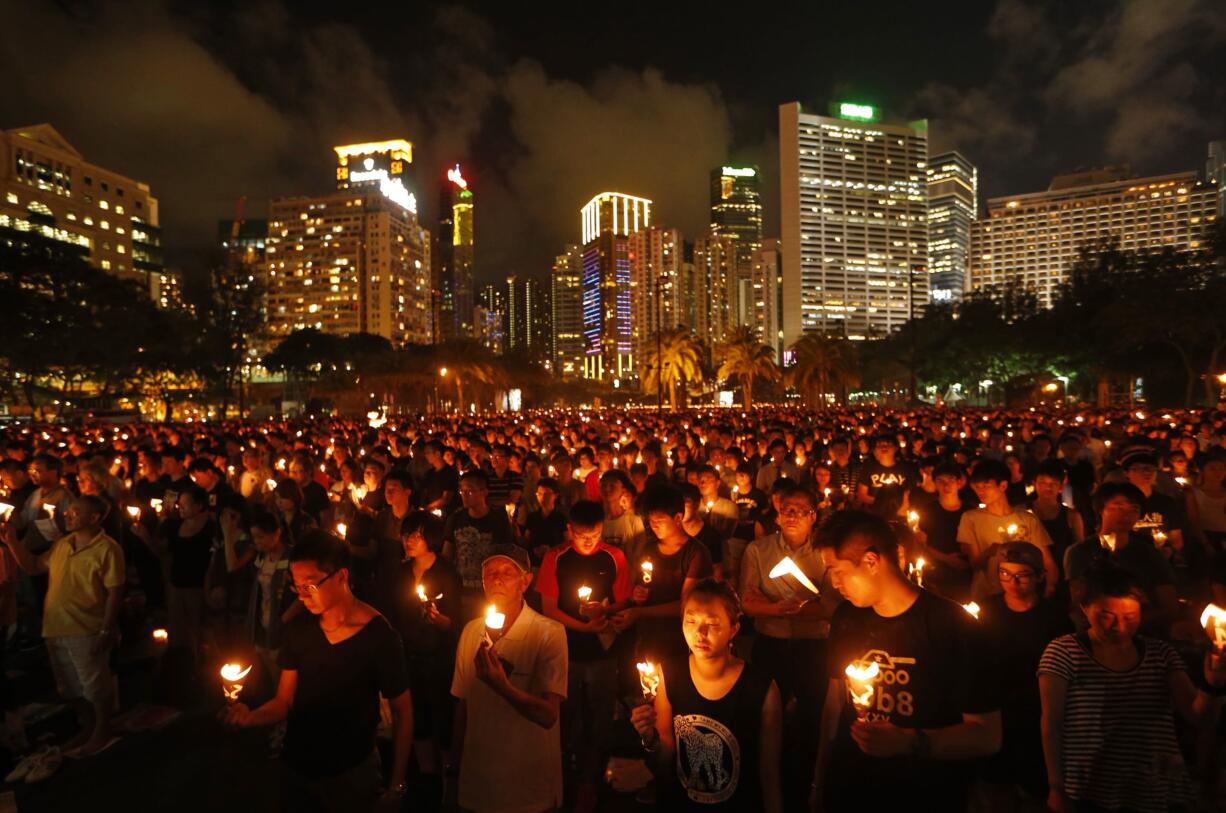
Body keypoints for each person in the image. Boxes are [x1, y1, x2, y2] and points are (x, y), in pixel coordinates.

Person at [810, 510, 1001, 811]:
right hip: (852, 785)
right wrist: (819, 780)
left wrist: (908, 741)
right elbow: (835, 704)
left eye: (838, 570)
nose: (834, 582)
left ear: (872, 561)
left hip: (924, 791)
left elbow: (987, 735)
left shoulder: (952, 625)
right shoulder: (847, 617)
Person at [221, 531, 413, 812]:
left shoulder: (379, 636)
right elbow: (284, 701)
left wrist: (396, 787)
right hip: (298, 765)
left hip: (352, 771)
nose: (302, 596)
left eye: (310, 586)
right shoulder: (300, 630)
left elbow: (402, 711)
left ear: (341, 576)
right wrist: (250, 717)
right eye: (297, 587)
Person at [1038, 564, 1226, 813]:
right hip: (1092, 784)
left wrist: (1212, 685)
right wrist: (1056, 786)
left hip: (1153, 785)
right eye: (1106, 615)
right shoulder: (1065, 652)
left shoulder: (1160, 654)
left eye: (1130, 617)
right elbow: (1052, 722)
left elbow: (1198, 716)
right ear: (1085, 609)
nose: (1120, 626)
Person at [630, 579, 782, 812]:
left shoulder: (760, 687)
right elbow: (665, 758)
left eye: (712, 623)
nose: (699, 633)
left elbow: (769, 772)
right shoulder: (669, 674)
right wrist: (649, 737)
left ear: (734, 629)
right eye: (690, 621)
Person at [739, 483, 839, 812]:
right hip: (771, 642)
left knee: (812, 714)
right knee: (768, 713)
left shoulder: (826, 553)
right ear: (778, 516)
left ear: (814, 516)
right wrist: (778, 610)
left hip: (814, 646)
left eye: (800, 511)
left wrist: (793, 608)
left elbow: (831, 604)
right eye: (786, 511)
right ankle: (768, 782)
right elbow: (748, 599)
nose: (792, 516)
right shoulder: (758, 550)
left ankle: (808, 783)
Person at [1, 495, 124, 757]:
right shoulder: (63, 544)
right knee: (69, 686)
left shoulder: (107, 548)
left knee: (94, 685)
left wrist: (106, 628)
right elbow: (33, 566)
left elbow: (115, 591)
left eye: (75, 512)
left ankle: (103, 730)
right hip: (55, 627)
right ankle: (87, 726)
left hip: (86, 628)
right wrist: (11, 540)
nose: (67, 515)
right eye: (68, 512)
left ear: (93, 518)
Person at [450, 544, 567, 813]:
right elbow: (463, 707)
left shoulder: (548, 633)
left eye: (507, 572)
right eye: (490, 573)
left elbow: (549, 715)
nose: (497, 579)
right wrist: (454, 771)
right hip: (477, 786)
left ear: (526, 581)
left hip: (527, 790)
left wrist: (503, 687)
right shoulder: (471, 631)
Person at [537, 499, 631, 811]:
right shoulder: (556, 557)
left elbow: (622, 600)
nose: (588, 541)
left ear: (602, 529)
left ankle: (593, 778)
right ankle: (563, 775)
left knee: (600, 715)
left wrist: (603, 610)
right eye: (580, 535)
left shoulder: (614, 556)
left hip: (603, 652)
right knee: (567, 715)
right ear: (570, 530)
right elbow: (549, 609)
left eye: (594, 535)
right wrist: (583, 626)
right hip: (565, 650)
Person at [977, 542, 1072, 809]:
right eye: (1005, 573)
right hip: (998, 712)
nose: (1012, 581)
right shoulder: (985, 611)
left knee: (1036, 792)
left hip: (1037, 713)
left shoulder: (1053, 617)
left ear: (1040, 576)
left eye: (1022, 575)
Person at [394, 511, 461, 813]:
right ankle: (427, 777)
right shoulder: (400, 573)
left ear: (431, 539)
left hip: (439, 657)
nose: (409, 540)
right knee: (416, 717)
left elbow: (456, 624)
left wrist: (439, 619)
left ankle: (450, 783)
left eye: (417, 535)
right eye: (407, 534)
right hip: (409, 655)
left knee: (443, 717)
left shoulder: (446, 573)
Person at [1063, 482, 1181, 635]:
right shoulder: (1079, 552)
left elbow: (1170, 607)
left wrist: (1128, 622)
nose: (1125, 515)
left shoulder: (1150, 554)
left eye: (1134, 509)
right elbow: (1079, 604)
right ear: (1101, 509)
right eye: (1117, 507)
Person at [613, 486, 713, 662]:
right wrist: (638, 595)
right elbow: (640, 586)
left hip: (679, 640)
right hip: (648, 636)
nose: (654, 526)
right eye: (651, 520)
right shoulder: (649, 548)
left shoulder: (696, 553)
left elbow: (687, 606)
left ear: (678, 518)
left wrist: (640, 612)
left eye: (659, 520)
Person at [959, 459, 1059, 600]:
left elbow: (1047, 560)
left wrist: (1050, 587)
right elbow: (974, 565)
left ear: (1003, 485)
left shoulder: (1027, 518)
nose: (980, 491)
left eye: (986, 486)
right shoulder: (970, 518)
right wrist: (991, 551)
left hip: (1024, 595)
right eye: (976, 487)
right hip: (987, 595)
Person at [443, 470, 514, 620]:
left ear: (484, 492)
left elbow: (506, 554)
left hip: (489, 590)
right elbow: (447, 554)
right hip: (461, 588)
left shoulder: (498, 520)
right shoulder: (455, 519)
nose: (464, 494)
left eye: (470, 491)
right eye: (462, 490)